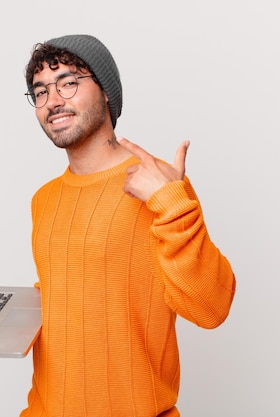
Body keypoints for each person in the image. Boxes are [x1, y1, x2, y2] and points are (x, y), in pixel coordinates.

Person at [20, 34, 236, 417]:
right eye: (40, 92)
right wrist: (3, 317)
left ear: (106, 93)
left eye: (68, 83)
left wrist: (170, 202)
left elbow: (212, 307)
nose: (53, 101)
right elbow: (75, 293)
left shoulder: (159, 184)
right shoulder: (44, 199)